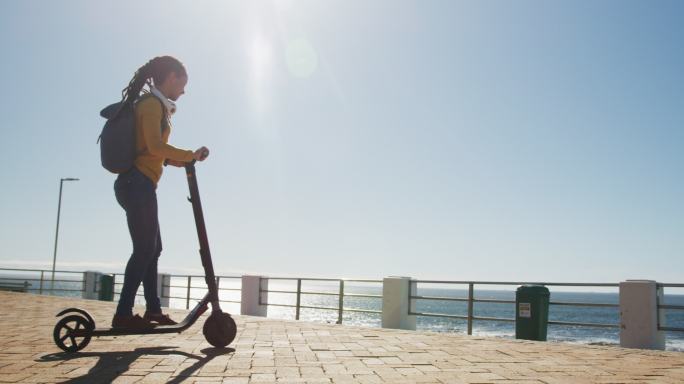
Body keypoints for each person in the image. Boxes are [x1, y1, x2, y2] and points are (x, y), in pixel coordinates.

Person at [112, 56, 209, 329]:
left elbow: (155, 153)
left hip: (139, 184)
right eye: (182, 83)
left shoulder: (156, 106)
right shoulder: (151, 105)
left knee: (153, 249)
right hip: (137, 184)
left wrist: (183, 160)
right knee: (145, 248)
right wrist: (188, 153)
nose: (183, 90)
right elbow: (154, 146)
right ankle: (122, 315)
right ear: (171, 76)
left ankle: (153, 310)